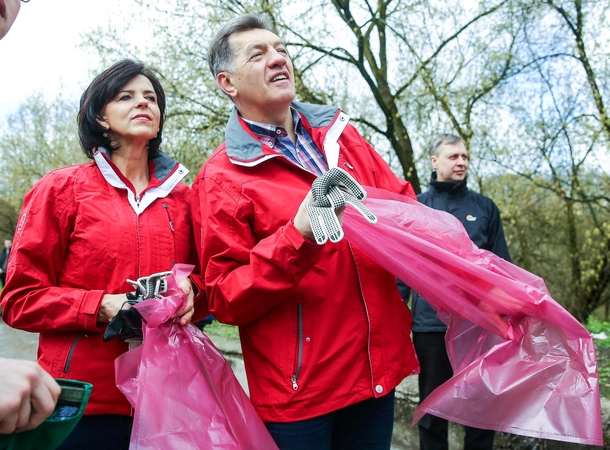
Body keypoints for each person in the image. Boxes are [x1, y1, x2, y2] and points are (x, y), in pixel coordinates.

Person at [191, 12, 418, 450]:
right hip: (300, 393)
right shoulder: (220, 178)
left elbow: (405, 212)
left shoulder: (343, 137)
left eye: (281, 50)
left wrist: (477, 281)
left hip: (376, 373)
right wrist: (298, 236)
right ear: (228, 83)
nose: (278, 60)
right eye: (258, 55)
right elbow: (224, 296)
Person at [0, 59, 201, 450]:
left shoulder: (184, 199)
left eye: (151, 98)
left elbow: (207, 284)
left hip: (168, 400)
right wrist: (102, 306)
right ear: (101, 117)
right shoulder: (60, 189)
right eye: (126, 96)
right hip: (81, 405)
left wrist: (194, 292)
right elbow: (18, 300)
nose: (143, 104)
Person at [397, 133, 511, 450]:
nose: (461, 162)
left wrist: (508, 316)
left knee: (480, 408)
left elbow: (502, 267)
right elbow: (402, 270)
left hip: (478, 326)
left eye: (464, 157)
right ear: (434, 162)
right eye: (453, 156)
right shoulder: (417, 207)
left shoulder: (485, 208)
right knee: (432, 410)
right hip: (431, 327)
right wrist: (397, 318)